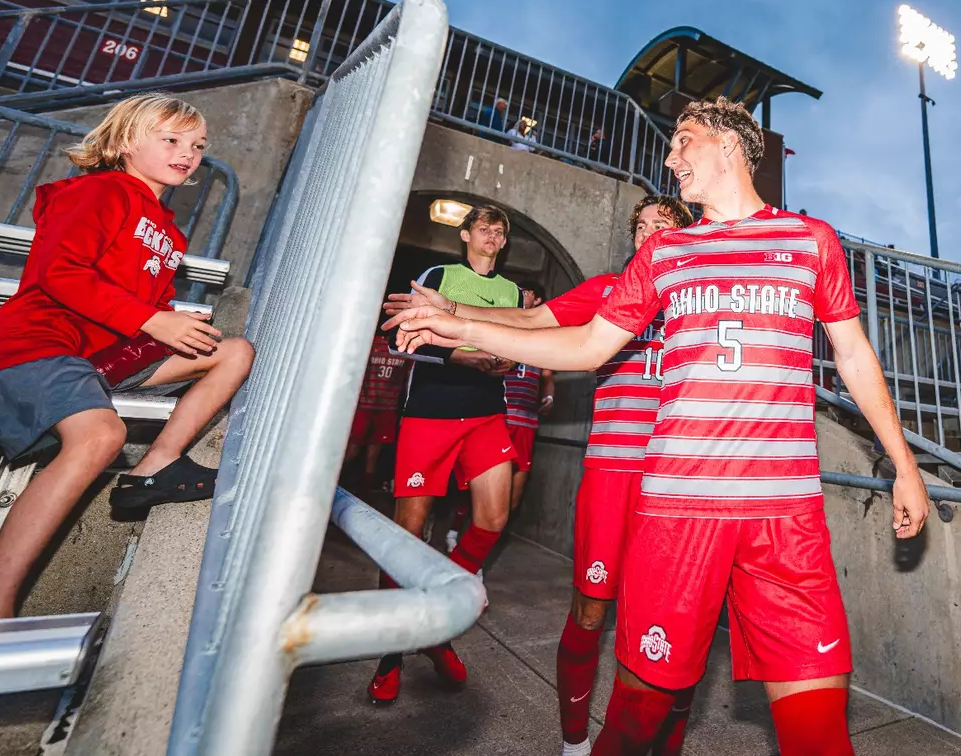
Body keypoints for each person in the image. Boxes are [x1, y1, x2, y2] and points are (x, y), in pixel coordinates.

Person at [389, 97, 930, 756]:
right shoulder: (668, 253)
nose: (671, 158)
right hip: (677, 515)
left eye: (684, 141)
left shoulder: (809, 240)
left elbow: (852, 354)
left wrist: (903, 465)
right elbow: (588, 345)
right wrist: (464, 324)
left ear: (729, 145)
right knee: (632, 730)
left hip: (786, 518)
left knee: (820, 738)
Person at [388, 193, 696, 756]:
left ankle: (663, 742)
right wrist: (451, 315)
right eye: (642, 225)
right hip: (609, 471)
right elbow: (531, 320)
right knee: (588, 611)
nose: (648, 233)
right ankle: (574, 743)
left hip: (677, 481)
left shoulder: (705, 298)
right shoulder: (607, 291)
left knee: (668, 625)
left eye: (664, 225)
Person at [0, 94, 254, 620]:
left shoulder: (169, 231)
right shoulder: (99, 192)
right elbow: (62, 273)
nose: (188, 153)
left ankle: (156, 465)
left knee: (232, 350)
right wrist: (156, 321)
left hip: (98, 356)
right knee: (100, 435)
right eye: (170, 140)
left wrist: (171, 324)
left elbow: (145, 306)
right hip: (36, 346)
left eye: (197, 146)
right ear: (123, 142)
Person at [368, 204, 528, 704]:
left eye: (500, 231)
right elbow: (397, 335)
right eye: (484, 227)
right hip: (430, 413)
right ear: (465, 234)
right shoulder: (439, 275)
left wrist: (508, 361)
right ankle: (392, 655)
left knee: (493, 519)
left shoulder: (515, 293)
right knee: (407, 535)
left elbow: (519, 349)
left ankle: (436, 620)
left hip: (485, 414)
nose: (492, 236)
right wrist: (466, 356)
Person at [347, 334, 407, 491]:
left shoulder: (404, 348)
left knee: (374, 453)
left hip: (388, 407)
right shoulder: (370, 344)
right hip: (365, 405)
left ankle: (366, 489)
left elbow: (407, 378)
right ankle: (338, 482)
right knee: (352, 448)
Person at [501, 352, 555, 512]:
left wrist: (549, 396)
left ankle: (495, 534)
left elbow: (548, 376)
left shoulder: (542, 344)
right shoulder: (502, 335)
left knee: (515, 493)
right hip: (500, 418)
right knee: (484, 482)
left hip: (526, 423)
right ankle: (455, 529)